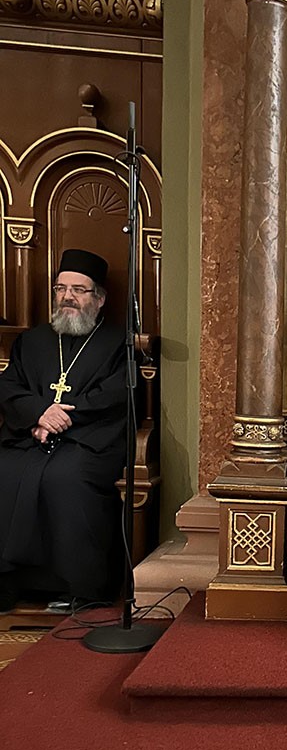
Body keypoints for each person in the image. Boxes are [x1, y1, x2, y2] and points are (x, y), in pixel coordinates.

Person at [0, 249, 127, 611]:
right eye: (61, 288)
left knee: (65, 478)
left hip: (89, 441)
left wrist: (60, 419)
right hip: (31, 436)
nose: (67, 296)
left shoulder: (119, 343)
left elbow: (116, 394)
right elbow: (8, 386)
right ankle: (9, 584)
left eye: (78, 290)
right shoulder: (33, 341)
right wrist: (39, 414)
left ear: (99, 299)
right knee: (5, 470)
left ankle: (80, 588)